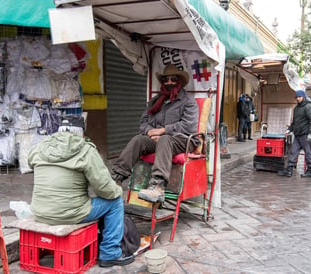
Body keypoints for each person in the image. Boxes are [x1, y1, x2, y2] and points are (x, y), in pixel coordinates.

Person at [28, 117, 135, 268]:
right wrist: (117, 189)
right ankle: (110, 253)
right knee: (115, 202)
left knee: (82, 198)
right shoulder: (86, 150)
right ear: (82, 133)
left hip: (40, 211)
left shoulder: (40, 147)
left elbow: (30, 163)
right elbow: (105, 189)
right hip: (70, 213)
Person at [111, 64, 199, 203]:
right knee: (138, 139)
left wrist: (163, 131)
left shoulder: (188, 101)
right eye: (166, 79)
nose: (169, 82)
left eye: (173, 79)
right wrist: (149, 132)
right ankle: (116, 178)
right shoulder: (156, 101)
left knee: (165, 140)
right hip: (157, 139)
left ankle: (157, 186)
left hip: (183, 139)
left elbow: (189, 126)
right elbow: (144, 122)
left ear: (179, 82)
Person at [278, 89, 311, 178]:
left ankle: (310, 170)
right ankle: (289, 170)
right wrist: (290, 129)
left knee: (308, 153)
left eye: (299, 97)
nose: (297, 98)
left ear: (303, 97)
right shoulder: (296, 108)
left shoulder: (308, 107)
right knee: (293, 152)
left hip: (305, 135)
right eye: (296, 97)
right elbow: (295, 122)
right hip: (298, 134)